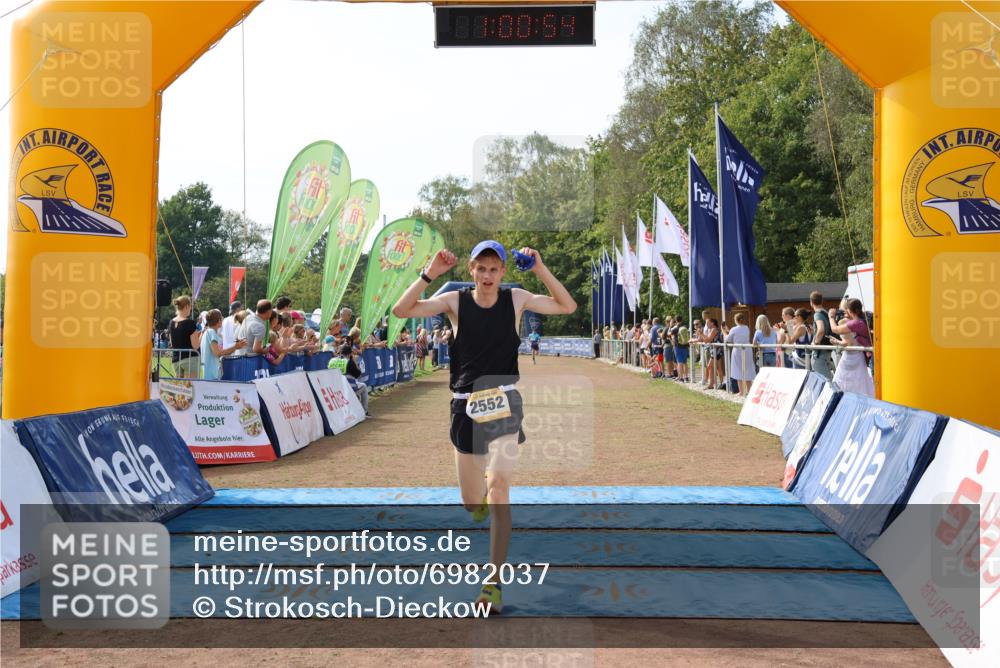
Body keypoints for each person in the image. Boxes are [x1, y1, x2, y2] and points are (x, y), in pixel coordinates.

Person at [391, 240, 576, 615]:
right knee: (473, 502)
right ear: (471, 271)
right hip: (465, 407)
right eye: (481, 268)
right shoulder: (456, 301)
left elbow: (567, 306)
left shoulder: (517, 298)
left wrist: (540, 267)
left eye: (494, 269)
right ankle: (479, 505)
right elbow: (401, 309)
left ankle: (492, 583)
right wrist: (431, 273)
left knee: (500, 485)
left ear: (503, 272)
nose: (488, 276)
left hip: (505, 401)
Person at [831, 298, 875, 396]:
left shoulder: (855, 323)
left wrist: (831, 316)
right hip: (867, 354)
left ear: (849, 311)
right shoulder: (862, 319)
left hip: (871, 356)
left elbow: (835, 330)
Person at [200, 309, 247, 380]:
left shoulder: (207, 332)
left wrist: (235, 347)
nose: (222, 320)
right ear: (219, 321)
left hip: (209, 373)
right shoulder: (211, 332)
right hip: (212, 375)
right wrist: (235, 347)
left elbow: (220, 352)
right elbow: (217, 353)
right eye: (221, 319)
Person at [329, 342, 371, 416]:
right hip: (347, 389)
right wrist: (354, 361)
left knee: (356, 385)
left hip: (334, 389)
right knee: (363, 386)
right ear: (349, 354)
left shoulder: (332, 361)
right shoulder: (349, 362)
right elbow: (358, 375)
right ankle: (365, 411)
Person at [168, 295, 202, 378]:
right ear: (187, 306)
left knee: (180, 389)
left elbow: (172, 343)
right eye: (190, 307)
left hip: (176, 359)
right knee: (190, 388)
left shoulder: (171, 322)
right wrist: (201, 336)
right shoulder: (190, 323)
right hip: (190, 359)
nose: (191, 309)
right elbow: (196, 345)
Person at [726, 312, 756, 396]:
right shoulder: (746, 328)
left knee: (737, 369)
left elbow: (728, 339)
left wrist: (725, 332)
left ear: (736, 320)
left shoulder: (733, 329)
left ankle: (741, 391)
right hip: (747, 350)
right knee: (748, 369)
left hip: (737, 350)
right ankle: (749, 391)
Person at [810, 291, 836, 380]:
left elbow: (821, 329)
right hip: (827, 351)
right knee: (828, 380)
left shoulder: (817, 313)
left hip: (819, 353)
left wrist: (815, 342)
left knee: (824, 382)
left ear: (811, 302)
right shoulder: (826, 313)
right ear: (822, 301)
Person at [674, 316, 690, 382]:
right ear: (682, 320)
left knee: (679, 362)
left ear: (676, 320)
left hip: (678, 346)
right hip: (685, 346)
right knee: (685, 362)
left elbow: (669, 334)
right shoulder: (685, 327)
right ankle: (686, 377)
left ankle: (680, 377)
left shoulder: (675, 328)